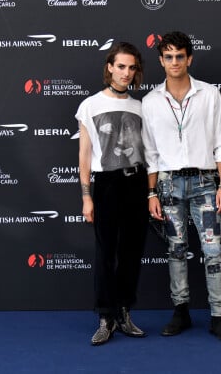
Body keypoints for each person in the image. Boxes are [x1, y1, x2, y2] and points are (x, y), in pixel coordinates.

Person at [141, 31, 221, 343]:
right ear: (160, 61)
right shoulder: (150, 101)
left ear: (189, 58)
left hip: (206, 183)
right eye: (168, 57)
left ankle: (218, 316)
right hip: (168, 185)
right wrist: (151, 192)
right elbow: (150, 153)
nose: (174, 62)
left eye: (179, 56)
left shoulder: (209, 94)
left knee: (212, 250)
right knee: (176, 250)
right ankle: (181, 310)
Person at [76, 42, 148, 346]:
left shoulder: (142, 107)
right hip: (105, 185)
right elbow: (84, 155)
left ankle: (123, 312)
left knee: (131, 252)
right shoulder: (90, 105)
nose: (126, 73)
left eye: (131, 68)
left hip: (137, 183)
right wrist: (86, 196)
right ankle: (105, 317)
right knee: (105, 253)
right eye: (121, 66)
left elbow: (150, 152)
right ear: (110, 67)